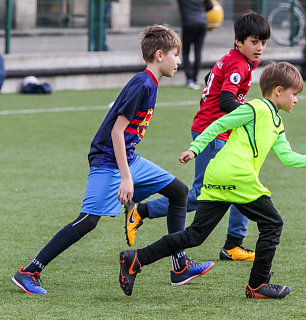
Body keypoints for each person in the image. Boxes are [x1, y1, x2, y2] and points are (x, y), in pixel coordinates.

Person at [11, 25, 213, 295]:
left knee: (179, 191)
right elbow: (117, 132)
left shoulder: (150, 83)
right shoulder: (142, 83)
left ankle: (179, 266)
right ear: (160, 55)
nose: (179, 61)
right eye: (176, 55)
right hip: (109, 160)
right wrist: (126, 177)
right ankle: (29, 270)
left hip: (129, 158)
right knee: (88, 221)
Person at [118, 61, 306, 298]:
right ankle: (257, 285)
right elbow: (220, 123)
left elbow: (288, 157)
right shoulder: (255, 108)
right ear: (278, 90)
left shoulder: (276, 123)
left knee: (195, 235)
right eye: (294, 94)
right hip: (237, 176)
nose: (296, 100)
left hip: (219, 176)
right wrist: (195, 148)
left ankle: (136, 259)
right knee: (273, 224)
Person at [124, 11, 271, 262]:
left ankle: (234, 244)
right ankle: (141, 210)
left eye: (263, 43)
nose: (259, 48)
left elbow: (209, 79)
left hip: (219, 131)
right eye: (254, 42)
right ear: (239, 41)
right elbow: (226, 102)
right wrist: (254, 112)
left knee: (244, 182)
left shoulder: (236, 59)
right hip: (212, 133)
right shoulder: (237, 63)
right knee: (202, 193)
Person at [178, 0, 213, 89]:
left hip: (188, 23)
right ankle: (195, 79)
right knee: (198, 52)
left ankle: (189, 79)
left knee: (185, 52)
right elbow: (210, 6)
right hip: (202, 23)